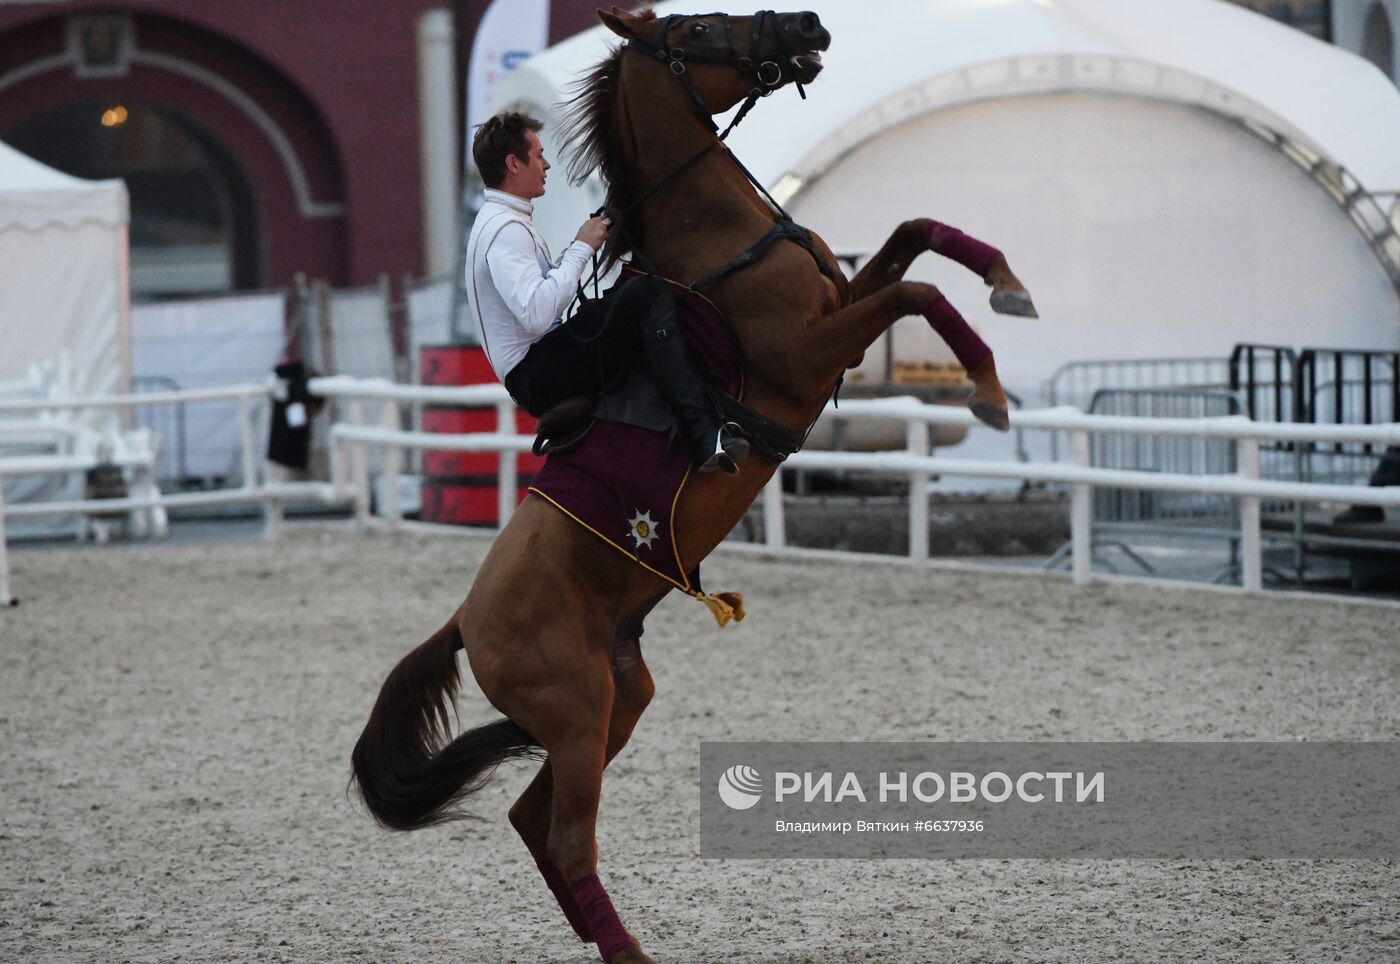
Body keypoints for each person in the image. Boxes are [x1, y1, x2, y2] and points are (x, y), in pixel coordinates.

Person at [465, 111, 747, 474]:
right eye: (537, 155)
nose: (546, 164)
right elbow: (536, 314)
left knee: (632, 289)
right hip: (537, 372)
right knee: (646, 293)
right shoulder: (505, 230)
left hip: (537, 363)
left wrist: (585, 241)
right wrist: (582, 249)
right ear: (513, 164)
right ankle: (705, 433)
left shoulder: (503, 220)